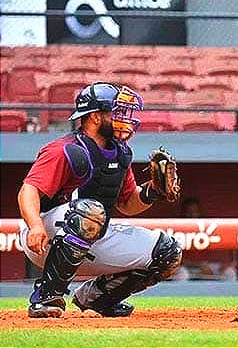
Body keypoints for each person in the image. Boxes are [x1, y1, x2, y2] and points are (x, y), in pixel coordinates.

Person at [17, 82, 182, 318]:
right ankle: (46, 296)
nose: (125, 118)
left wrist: (153, 191)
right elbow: (28, 190)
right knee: (90, 211)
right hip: (46, 237)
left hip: (94, 232)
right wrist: (34, 226)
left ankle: (98, 298)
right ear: (94, 117)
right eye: (116, 112)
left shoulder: (121, 152)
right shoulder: (64, 149)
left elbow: (128, 204)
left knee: (168, 252)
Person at [174, 197, 237, 281]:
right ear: (184, 213)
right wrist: (198, 265)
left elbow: (233, 243)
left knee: (229, 272)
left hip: (207, 265)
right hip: (188, 267)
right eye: (189, 212)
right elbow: (176, 260)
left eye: (195, 212)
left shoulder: (206, 227)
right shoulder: (178, 229)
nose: (192, 215)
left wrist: (229, 264)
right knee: (182, 273)